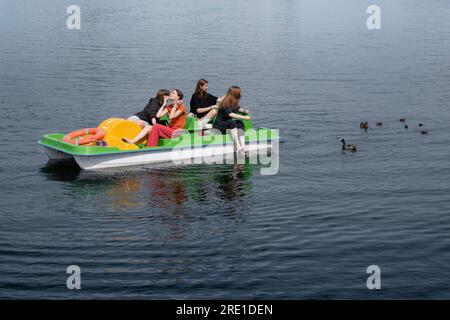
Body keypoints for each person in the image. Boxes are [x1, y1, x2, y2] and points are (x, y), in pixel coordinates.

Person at [213, 86, 251, 153]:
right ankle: (238, 146)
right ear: (235, 94)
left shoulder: (232, 101)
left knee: (239, 123)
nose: (240, 94)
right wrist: (245, 117)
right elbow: (230, 114)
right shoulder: (225, 102)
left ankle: (243, 146)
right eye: (239, 92)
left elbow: (237, 108)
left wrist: (244, 111)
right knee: (232, 122)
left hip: (227, 123)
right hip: (219, 125)